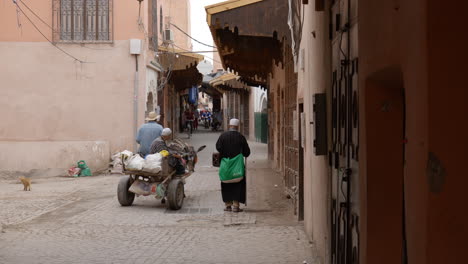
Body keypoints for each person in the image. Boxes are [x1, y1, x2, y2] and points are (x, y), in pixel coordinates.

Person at [216, 118, 251, 212]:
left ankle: (228, 205)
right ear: (238, 126)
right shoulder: (241, 137)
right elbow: (247, 152)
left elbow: (218, 147)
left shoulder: (223, 136)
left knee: (226, 183)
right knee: (238, 184)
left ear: (229, 125)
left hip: (225, 166)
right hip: (237, 167)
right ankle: (236, 206)